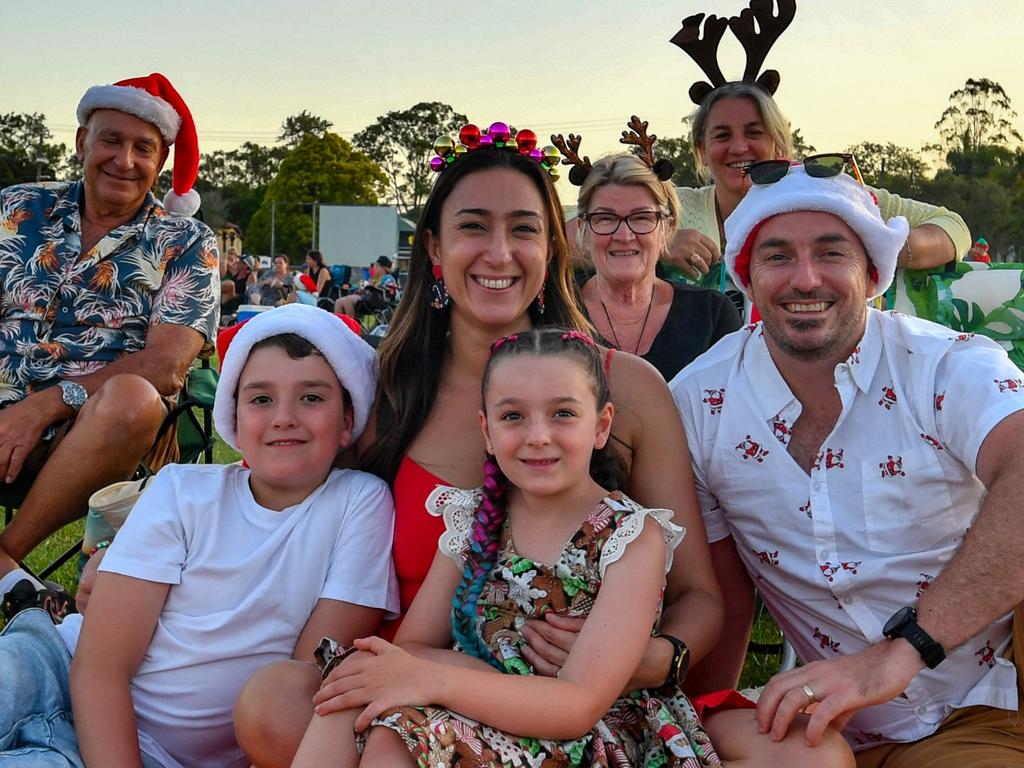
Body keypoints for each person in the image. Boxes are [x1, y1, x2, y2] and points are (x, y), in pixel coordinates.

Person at [235, 122, 847, 767]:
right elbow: (277, 505)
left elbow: (699, 593)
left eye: (524, 229)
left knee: (811, 755)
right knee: (276, 700)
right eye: (473, 226)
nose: (500, 253)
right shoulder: (381, 390)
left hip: (599, 696)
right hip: (430, 688)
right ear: (435, 249)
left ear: (554, 248)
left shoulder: (625, 385)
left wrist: (653, 657)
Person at [670, 163, 1024, 764]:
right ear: (746, 278)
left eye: (832, 253)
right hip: (828, 728)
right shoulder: (702, 402)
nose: (805, 279)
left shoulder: (942, 365)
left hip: (988, 701)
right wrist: (697, 733)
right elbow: (723, 592)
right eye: (777, 256)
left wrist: (904, 649)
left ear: (873, 275)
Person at [289, 328, 727, 766]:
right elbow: (415, 648)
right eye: (513, 417)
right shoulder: (477, 519)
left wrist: (437, 682)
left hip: (585, 737)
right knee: (350, 697)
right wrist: (429, 679)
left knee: (397, 736)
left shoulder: (629, 537)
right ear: (487, 431)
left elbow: (578, 704)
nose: (538, 435)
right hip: (478, 708)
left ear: (602, 426)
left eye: (563, 414)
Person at [0, 304, 398, 766]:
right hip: (57, 665)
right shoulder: (183, 490)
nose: (284, 417)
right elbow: (100, 666)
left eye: (312, 397)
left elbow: (303, 679)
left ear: (348, 419)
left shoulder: (360, 505)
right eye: (261, 399)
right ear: (233, 416)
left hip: (152, 757)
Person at [0, 73, 220, 616]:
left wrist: (46, 405)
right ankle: (12, 584)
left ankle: (8, 557)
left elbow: (167, 365)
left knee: (134, 396)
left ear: (162, 160)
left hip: (95, 432)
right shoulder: (16, 209)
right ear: (81, 142)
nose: (124, 160)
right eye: (110, 140)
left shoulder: (186, 242)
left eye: (143, 148)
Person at [572, 149, 741, 380]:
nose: (624, 235)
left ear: (666, 229)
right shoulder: (555, 310)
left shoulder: (712, 315)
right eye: (605, 218)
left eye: (641, 217)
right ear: (583, 230)